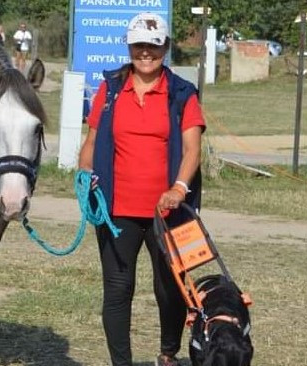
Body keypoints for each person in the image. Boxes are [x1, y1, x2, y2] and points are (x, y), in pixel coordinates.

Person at [78, 12, 206, 366]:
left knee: (169, 290)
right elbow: (91, 140)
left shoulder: (182, 94)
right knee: (118, 290)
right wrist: (84, 169)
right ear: (129, 47)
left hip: (169, 211)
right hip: (116, 210)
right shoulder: (111, 89)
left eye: (153, 45)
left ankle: (168, 353)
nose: (145, 53)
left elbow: (192, 148)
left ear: (164, 47)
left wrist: (179, 188)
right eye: (138, 45)